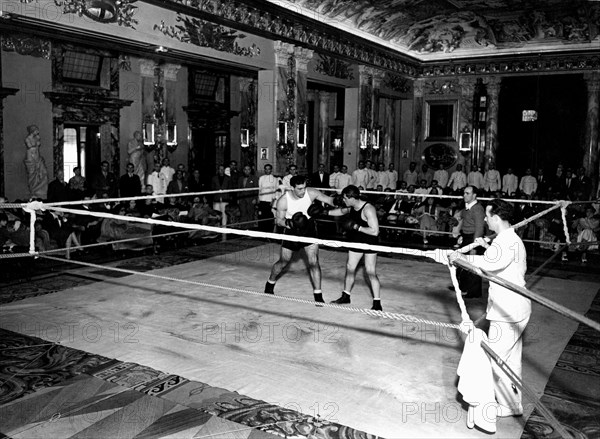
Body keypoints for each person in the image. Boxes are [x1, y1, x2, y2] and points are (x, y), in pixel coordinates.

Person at [447, 198, 531, 418]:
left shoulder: (506, 241)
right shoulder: (508, 239)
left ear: (496, 217)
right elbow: (496, 259)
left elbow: (489, 264)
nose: (484, 218)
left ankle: (483, 408)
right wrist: (488, 247)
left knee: (491, 360)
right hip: (513, 309)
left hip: (508, 312)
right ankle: (511, 406)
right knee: (510, 360)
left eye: (487, 215)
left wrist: (459, 258)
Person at [264, 175, 337, 303]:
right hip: (292, 230)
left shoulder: (311, 192)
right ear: (292, 188)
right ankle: (270, 282)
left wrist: (341, 200)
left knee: (314, 261)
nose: (303, 191)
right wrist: (291, 224)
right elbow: (279, 221)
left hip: (308, 229)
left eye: (304, 188)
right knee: (283, 261)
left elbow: (330, 200)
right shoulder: (283, 200)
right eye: (299, 189)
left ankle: (318, 294)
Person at [327, 185, 382, 310]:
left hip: (370, 241)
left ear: (352, 197)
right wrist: (325, 212)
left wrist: (357, 227)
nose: (344, 200)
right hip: (356, 240)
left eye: (345, 198)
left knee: (370, 271)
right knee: (350, 267)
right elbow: (341, 211)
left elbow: (375, 231)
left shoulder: (368, 209)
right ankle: (346, 296)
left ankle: (377, 303)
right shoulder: (352, 206)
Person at [457, 186, 486, 298]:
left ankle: (473, 292)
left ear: (474, 195)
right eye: (464, 193)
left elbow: (479, 228)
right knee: (462, 263)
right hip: (466, 237)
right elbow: (464, 220)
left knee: (473, 266)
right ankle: (462, 287)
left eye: (468, 193)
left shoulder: (477, 209)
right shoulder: (467, 207)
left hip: (474, 239)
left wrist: (474, 247)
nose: (465, 195)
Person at [23, 125, 49, 199]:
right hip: (31, 157)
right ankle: (34, 191)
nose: (37, 132)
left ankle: (41, 192)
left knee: (44, 173)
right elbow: (30, 146)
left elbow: (37, 146)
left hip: (37, 157)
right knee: (32, 175)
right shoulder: (28, 139)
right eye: (36, 130)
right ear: (33, 131)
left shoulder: (37, 137)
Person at [258, 164, 279, 232]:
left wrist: (273, 200)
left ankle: (269, 231)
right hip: (262, 200)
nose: (267, 170)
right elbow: (259, 189)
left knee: (269, 217)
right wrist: (258, 198)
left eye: (269, 169)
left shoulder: (275, 179)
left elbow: (276, 191)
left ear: (271, 170)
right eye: (266, 169)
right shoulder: (261, 178)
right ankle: (261, 232)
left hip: (270, 200)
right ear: (264, 170)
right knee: (261, 216)